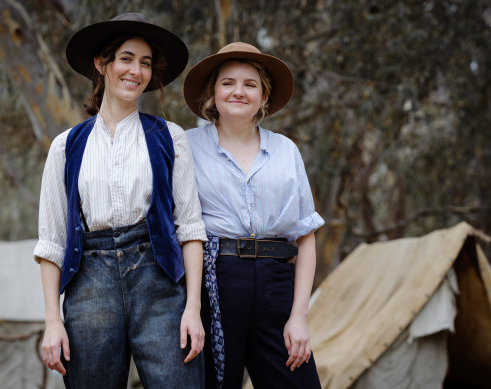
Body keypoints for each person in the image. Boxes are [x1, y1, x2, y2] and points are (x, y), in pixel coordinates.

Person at [33, 13, 206, 388]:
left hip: (159, 281)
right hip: (89, 284)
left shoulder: (170, 137)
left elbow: (190, 228)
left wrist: (193, 308)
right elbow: (51, 242)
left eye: (145, 63)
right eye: (126, 58)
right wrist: (52, 321)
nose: (136, 71)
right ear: (102, 64)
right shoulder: (66, 146)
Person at [183, 42, 325, 389]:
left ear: (263, 97)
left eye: (250, 84)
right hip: (215, 282)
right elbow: (183, 228)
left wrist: (298, 317)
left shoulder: (285, 150)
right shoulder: (185, 146)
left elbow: (305, 236)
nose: (238, 91)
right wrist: (190, 307)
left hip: (277, 285)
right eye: (228, 82)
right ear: (212, 93)